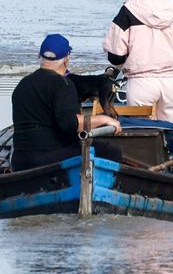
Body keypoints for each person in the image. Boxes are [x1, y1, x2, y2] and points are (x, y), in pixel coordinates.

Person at [11, 34, 121, 172]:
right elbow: (69, 124)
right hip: (48, 156)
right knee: (111, 152)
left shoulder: (22, 84)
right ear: (66, 59)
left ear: (39, 56)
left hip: (20, 160)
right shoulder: (63, 84)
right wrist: (104, 119)